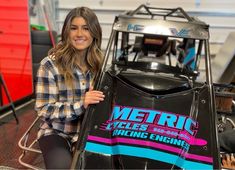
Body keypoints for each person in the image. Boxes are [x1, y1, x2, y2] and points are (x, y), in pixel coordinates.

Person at [35, 6, 105, 169]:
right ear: (67, 32)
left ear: (94, 33)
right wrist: (81, 105)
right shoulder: (50, 65)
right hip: (56, 132)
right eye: (74, 28)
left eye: (86, 28)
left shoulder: (101, 66)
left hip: (89, 134)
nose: (79, 34)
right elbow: (44, 109)